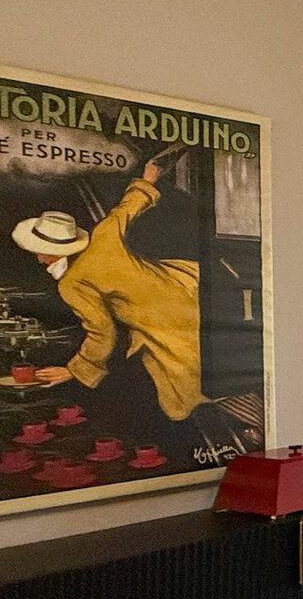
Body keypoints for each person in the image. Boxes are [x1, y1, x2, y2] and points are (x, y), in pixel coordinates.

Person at [11, 159, 207, 421]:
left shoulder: (72, 284)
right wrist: (148, 177)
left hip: (162, 323)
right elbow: (128, 207)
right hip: (186, 284)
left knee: (181, 398)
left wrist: (74, 370)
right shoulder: (104, 234)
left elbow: (102, 335)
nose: (36, 255)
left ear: (45, 252)